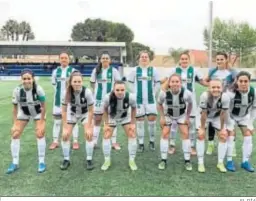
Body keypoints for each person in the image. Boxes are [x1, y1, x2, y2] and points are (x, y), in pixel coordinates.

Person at [165, 52, 208, 155]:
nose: (184, 60)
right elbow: (167, 82)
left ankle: (192, 147)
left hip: (190, 101)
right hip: (177, 100)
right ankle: (172, 145)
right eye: (182, 59)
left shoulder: (194, 70)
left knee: (191, 124)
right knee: (174, 123)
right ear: (179, 60)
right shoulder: (174, 70)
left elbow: (202, 82)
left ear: (189, 60)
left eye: (186, 59)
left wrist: (212, 84)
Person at [7, 69, 46, 174]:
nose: (26, 81)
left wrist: (42, 122)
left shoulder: (38, 89)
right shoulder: (17, 90)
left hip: (38, 112)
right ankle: (15, 162)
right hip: (24, 112)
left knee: (40, 133)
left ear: (33, 79)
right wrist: (15, 123)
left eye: (29, 78)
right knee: (15, 134)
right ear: (21, 79)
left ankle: (41, 162)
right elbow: (15, 108)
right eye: (24, 79)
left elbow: (43, 106)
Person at [157, 74, 193, 171]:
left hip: (181, 115)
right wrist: (162, 117)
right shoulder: (163, 93)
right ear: (169, 83)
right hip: (168, 115)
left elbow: (190, 104)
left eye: (177, 81)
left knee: (185, 134)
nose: (175, 84)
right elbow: (159, 104)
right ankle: (163, 160)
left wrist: (188, 116)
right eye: (172, 81)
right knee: (164, 134)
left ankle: (187, 161)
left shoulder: (187, 93)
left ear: (180, 83)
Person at [205, 52, 238, 156]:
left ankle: (232, 146)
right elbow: (207, 81)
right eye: (217, 59)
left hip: (228, 101)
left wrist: (229, 91)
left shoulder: (232, 72)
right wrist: (211, 88)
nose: (219, 61)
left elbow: (237, 84)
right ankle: (210, 143)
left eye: (221, 59)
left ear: (226, 59)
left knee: (230, 122)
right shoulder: (212, 71)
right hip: (213, 100)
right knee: (211, 121)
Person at [60, 71, 94, 170]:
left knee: (89, 135)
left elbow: (91, 111)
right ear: (70, 82)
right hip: (72, 114)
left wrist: (89, 126)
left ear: (82, 82)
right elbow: (64, 111)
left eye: (79, 81)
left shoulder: (87, 92)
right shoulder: (66, 93)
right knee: (65, 136)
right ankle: (66, 159)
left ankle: (89, 159)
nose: (77, 83)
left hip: (85, 114)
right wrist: (65, 127)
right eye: (75, 81)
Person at [127, 50, 160, 152]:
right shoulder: (134, 70)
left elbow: (157, 83)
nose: (144, 58)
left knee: (152, 122)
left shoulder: (153, 70)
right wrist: (135, 93)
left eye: (146, 57)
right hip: (139, 101)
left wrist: (153, 93)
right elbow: (129, 83)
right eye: (142, 57)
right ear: (139, 59)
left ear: (149, 59)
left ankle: (152, 141)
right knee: (140, 122)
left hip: (150, 100)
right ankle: (141, 143)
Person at [101, 81, 137, 171]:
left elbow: (134, 108)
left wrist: (133, 123)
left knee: (132, 134)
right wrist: (106, 124)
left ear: (125, 89)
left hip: (125, 117)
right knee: (106, 135)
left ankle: (132, 160)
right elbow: (104, 109)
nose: (120, 92)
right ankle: (107, 160)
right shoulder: (107, 97)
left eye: (122, 90)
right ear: (113, 90)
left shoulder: (131, 97)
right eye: (117, 90)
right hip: (112, 117)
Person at [196, 79, 230, 173]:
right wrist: (202, 128)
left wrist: (222, 128)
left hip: (216, 116)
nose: (216, 89)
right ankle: (200, 163)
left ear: (222, 88)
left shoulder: (225, 97)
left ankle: (220, 163)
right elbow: (204, 113)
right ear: (209, 88)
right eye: (213, 87)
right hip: (203, 116)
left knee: (223, 136)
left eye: (218, 87)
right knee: (201, 135)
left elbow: (223, 113)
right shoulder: (204, 96)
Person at [225, 71, 256, 172]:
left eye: (245, 81)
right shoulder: (230, 93)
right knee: (231, 135)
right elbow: (226, 110)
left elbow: (254, 108)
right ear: (236, 81)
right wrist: (230, 124)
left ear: (249, 81)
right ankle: (229, 161)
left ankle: (245, 162)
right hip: (231, 116)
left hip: (244, 117)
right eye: (241, 81)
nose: (243, 83)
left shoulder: (253, 92)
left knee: (248, 136)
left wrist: (250, 124)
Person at [90, 52, 121, 150]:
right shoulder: (96, 70)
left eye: (107, 58)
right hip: (98, 99)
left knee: (112, 120)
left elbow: (118, 84)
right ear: (100, 60)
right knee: (97, 120)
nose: (105, 60)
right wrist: (95, 93)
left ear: (110, 60)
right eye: (103, 58)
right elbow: (92, 83)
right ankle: (94, 142)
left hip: (111, 99)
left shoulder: (114, 71)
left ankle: (114, 142)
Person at [49, 52, 79, 150]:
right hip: (58, 102)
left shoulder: (73, 71)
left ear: (69, 60)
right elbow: (54, 85)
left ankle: (75, 141)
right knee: (57, 122)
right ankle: (55, 141)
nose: (64, 60)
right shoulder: (55, 71)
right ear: (59, 60)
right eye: (62, 58)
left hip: (71, 101)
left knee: (73, 121)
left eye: (65, 58)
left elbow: (77, 85)